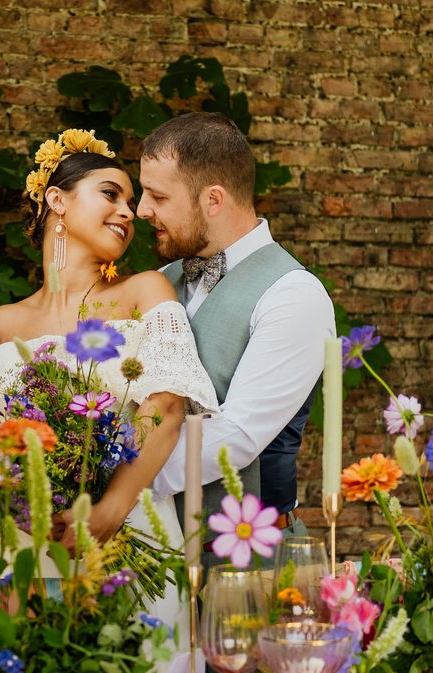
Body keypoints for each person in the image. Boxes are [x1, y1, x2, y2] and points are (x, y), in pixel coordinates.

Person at [0, 129, 215, 673]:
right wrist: (13, 503)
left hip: (128, 531)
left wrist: (111, 507)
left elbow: (165, 404)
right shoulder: (1, 326)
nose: (128, 212)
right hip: (27, 544)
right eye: (110, 194)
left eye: (131, 202)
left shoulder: (145, 294)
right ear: (56, 201)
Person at [136, 112, 335, 552]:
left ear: (213, 200)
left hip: (247, 564)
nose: (141, 210)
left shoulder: (294, 294)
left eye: (158, 196)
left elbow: (237, 435)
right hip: (153, 554)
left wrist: (113, 475)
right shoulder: (159, 282)